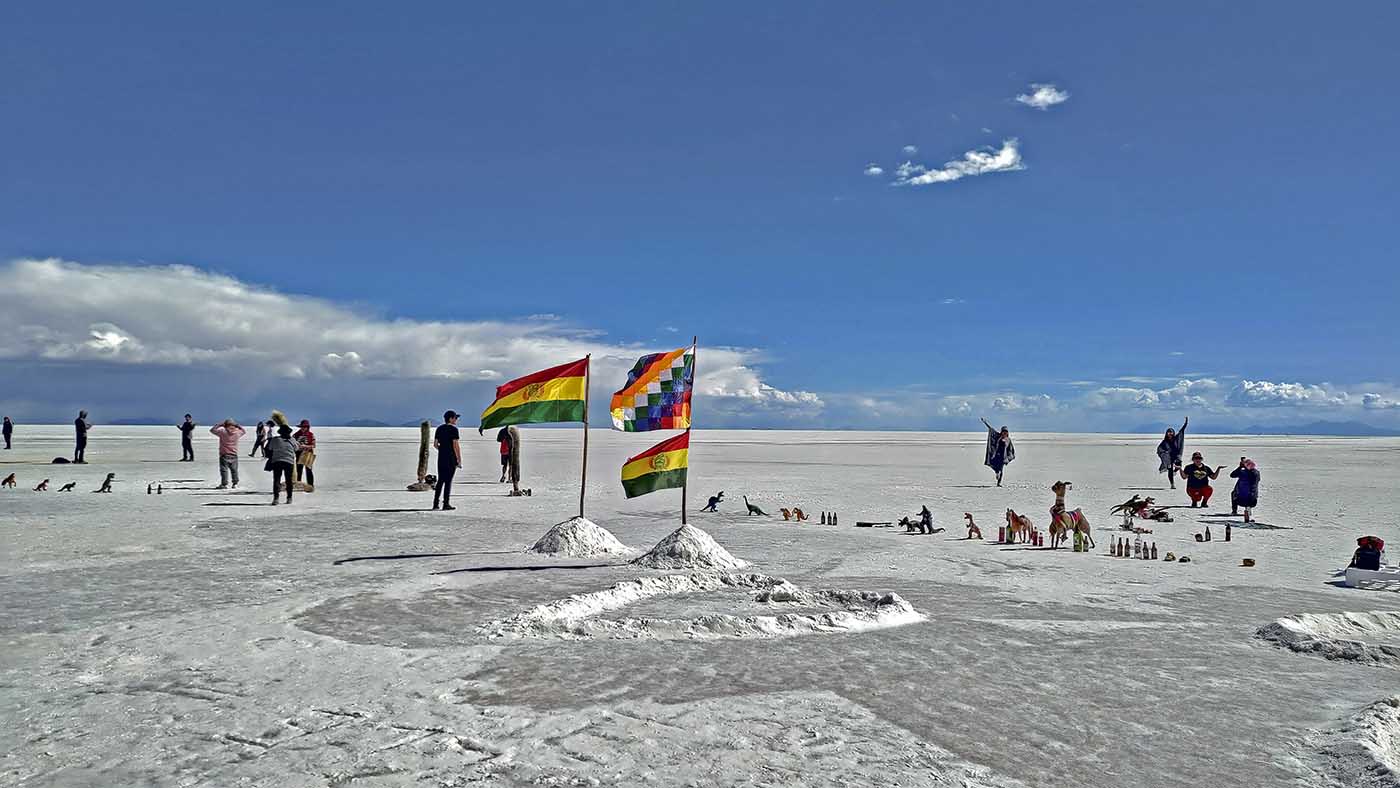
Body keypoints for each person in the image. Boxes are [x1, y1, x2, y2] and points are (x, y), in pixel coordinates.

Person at [264, 425, 299, 505]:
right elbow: (296, 449)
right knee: (289, 480)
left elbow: (270, 449)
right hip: (289, 462)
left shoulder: (275, 440)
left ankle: (276, 499)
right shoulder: (292, 440)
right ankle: (289, 498)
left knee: (277, 480)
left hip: (277, 461)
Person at [433, 410, 462, 510]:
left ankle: (435, 503)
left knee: (440, 481)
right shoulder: (454, 430)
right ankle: (446, 504)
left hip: (441, 458)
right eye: (455, 418)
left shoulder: (439, 429)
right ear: (450, 418)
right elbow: (455, 445)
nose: (456, 420)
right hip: (451, 458)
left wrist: (442, 450)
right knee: (448, 481)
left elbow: (435, 444)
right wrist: (458, 459)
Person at [210, 419, 246, 489]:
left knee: (224, 470)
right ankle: (235, 483)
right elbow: (244, 431)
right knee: (234, 470)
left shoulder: (222, 431)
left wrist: (219, 425)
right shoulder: (237, 432)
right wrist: (238, 426)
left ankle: (224, 484)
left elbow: (212, 430)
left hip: (224, 454)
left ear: (225, 425)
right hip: (234, 454)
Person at [980, 418, 1014, 487]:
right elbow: (991, 429)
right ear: (1001, 431)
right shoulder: (997, 436)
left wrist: (1009, 457)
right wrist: (985, 422)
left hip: (1003, 457)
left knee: (1001, 469)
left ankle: (999, 483)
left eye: (1006, 431)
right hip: (996, 455)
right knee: (995, 467)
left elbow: (1010, 449)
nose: (1004, 433)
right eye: (1003, 431)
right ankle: (997, 472)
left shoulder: (1008, 440)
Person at [1157, 417, 1188, 489]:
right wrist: (1165, 452)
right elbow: (1159, 449)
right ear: (1166, 433)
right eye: (1168, 432)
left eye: (1171, 432)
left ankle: (1175, 471)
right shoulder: (1164, 442)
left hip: (1176, 456)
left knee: (1179, 465)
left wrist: (1186, 423)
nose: (1170, 433)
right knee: (1170, 470)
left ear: (1173, 433)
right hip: (1168, 458)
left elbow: (1182, 431)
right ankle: (1172, 484)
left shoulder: (1176, 438)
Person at [1230, 457, 1261, 522]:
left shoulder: (1243, 473)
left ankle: (1234, 511)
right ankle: (1248, 513)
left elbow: (1232, 475)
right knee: (1249, 492)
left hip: (1241, 500)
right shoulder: (1257, 473)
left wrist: (1240, 467)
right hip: (1253, 501)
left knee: (1233, 493)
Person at [293, 419, 316, 492]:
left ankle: (310, 485)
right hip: (299, 454)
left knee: (309, 470)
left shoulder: (311, 435)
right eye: (302, 427)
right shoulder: (295, 435)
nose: (303, 428)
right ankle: (298, 484)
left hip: (308, 454)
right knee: (298, 470)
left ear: (307, 427)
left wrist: (305, 446)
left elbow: (313, 445)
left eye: (304, 427)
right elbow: (292, 443)